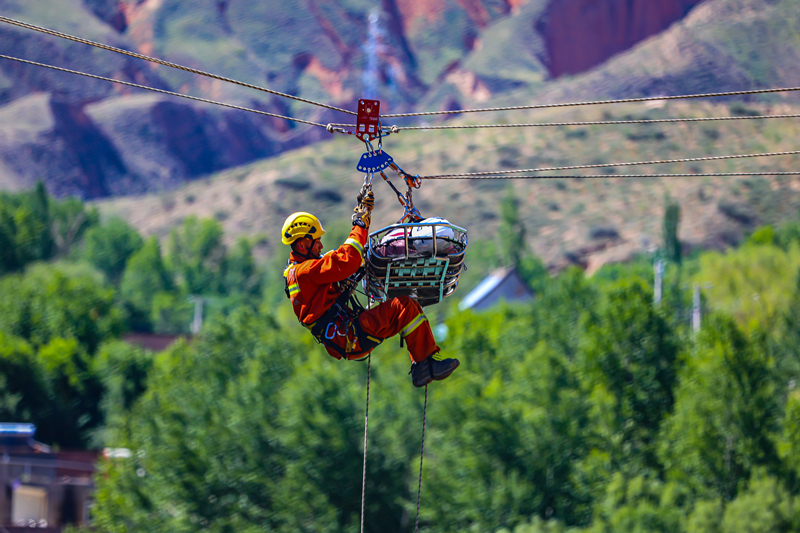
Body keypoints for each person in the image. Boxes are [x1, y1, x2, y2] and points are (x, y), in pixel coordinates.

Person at [281, 191, 459, 387]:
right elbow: (346, 259)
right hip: (349, 335)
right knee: (403, 306)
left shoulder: (300, 271)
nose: (321, 245)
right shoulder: (305, 271)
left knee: (408, 309)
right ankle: (424, 367)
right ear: (302, 245)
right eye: (316, 241)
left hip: (346, 334)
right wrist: (360, 225)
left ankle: (424, 366)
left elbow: (335, 269)